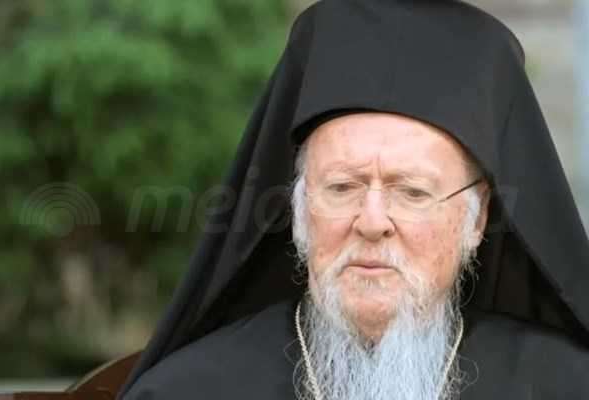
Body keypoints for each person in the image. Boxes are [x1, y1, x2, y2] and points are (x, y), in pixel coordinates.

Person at [120, 0, 589, 399]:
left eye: (412, 192)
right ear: (299, 208)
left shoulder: (565, 387)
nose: (371, 221)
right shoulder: (187, 390)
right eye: (342, 187)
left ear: (478, 217)